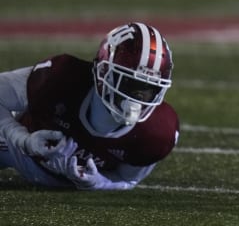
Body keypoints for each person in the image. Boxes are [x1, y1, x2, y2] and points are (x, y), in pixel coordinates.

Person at [0, 22, 179, 190]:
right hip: (22, 155)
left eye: (147, 89)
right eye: (128, 83)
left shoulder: (158, 132)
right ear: (103, 72)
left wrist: (99, 183)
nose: (135, 98)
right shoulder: (59, 78)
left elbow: (127, 179)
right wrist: (22, 140)